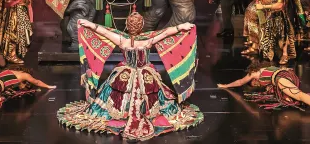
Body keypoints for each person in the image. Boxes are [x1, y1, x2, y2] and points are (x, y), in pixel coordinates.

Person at [58, 12, 202, 141]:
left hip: (125, 74)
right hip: (146, 74)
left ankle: (124, 115)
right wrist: (181, 27)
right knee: (153, 92)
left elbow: (103, 31)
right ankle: (145, 113)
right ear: (142, 25)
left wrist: (89, 24)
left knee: (116, 91)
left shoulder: (122, 40)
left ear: (127, 25)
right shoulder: (148, 40)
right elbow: (166, 33)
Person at [217, 66, 310, 114]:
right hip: (287, 76)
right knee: (304, 92)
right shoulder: (266, 69)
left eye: (254, 83)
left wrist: (226, 86)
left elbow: (240, 82)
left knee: (299, 95)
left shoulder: (254, 74)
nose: (256, 84)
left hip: (281, 78)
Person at [246, 0, 296, 64]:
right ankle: (260, 49)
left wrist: (263, 7)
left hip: (277, 15)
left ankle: (285, 55)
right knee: (265, 36)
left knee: (281, 35)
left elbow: (279, 5)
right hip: (267, 13)